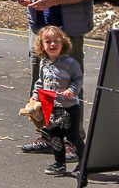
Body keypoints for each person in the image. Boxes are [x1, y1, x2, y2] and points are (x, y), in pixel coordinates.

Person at [15, 0, 100, 156]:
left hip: (68, 29)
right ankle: (47, 137)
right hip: (39, 29)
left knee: (70, 84)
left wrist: (53, 0)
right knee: (40, 85)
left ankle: (74, 142)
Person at [29, 25, 85, 176]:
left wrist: (72, 90)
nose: (52, 45)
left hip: (69, 107)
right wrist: (35, 95)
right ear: (42, 45)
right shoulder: (44, 63)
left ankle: (84, 162)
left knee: (72, 136)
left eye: (56, 41)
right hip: (50, 106)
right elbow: (40, 82)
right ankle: (60, 164)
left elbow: (78, 79)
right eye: (48, 42)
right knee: (55, 136)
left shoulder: (70, 63)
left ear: (63, 43)